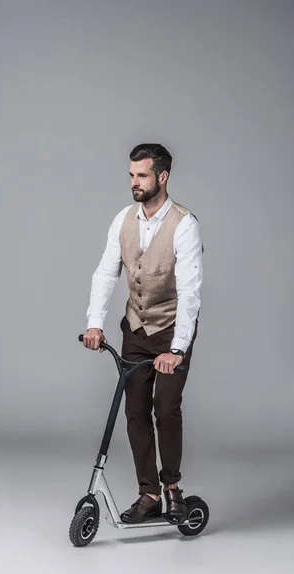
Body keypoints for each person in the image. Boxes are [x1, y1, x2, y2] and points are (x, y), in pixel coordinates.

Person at [82, 143, 203, 524]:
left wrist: (178, 349)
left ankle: (173, 489)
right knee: (135, 410)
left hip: (170, 330)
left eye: (142, 175)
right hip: (135, 327)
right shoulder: (123, 220)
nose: (134, 182)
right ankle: (149, 493)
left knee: (165, 409)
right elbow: (106, 272)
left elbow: (190, 293)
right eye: (132, 175)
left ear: (162, 177)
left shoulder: (184, 225)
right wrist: (94, 323)